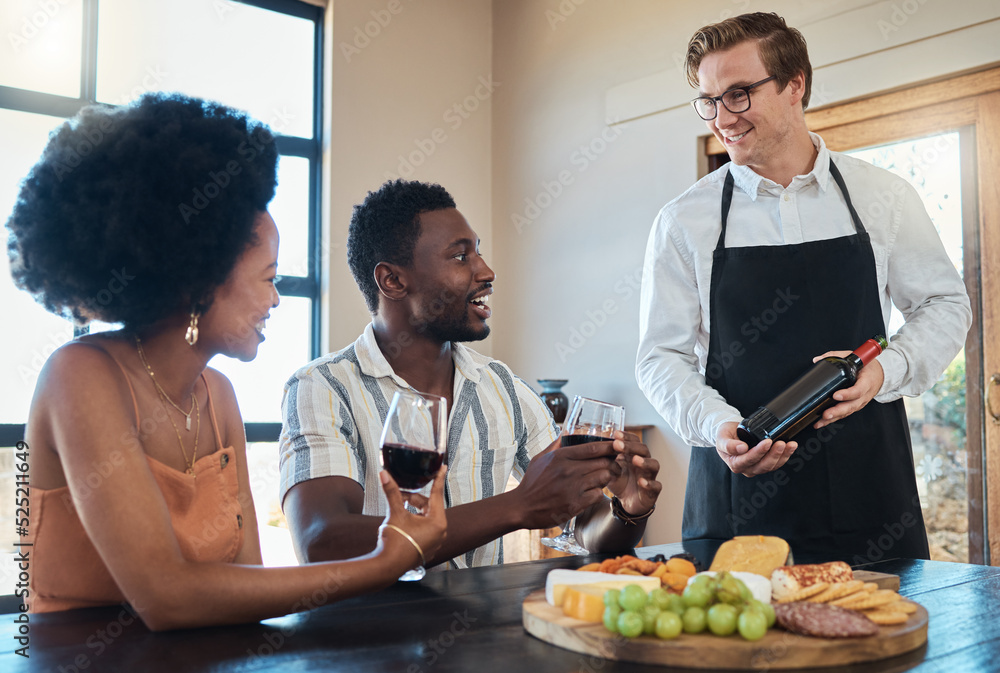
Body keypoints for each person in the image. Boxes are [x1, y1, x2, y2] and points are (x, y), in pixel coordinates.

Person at [8, 93, 447, 630]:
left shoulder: (218, 396)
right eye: (269, 278)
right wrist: (384, 562)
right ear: (202, 277)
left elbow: (245, 586)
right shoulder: (80, 376)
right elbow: (166, 597)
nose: (276, 299)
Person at [635, 13, 971, 564]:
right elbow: (660, 356)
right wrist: (719, 426)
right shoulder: (683, 221)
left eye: (739, 94)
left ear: (796, 85)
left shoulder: (882, 196)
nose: (722, 117)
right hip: (737, 502)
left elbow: (944, 305)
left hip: (870, 497)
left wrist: (885, 369)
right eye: (709, 99)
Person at [279, 179, 661, 568]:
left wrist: (628, 508)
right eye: (461, 257)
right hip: (371, 629)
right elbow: (324, 542)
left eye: (478, 252)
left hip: (481, 627)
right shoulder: (323, 388)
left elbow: (586, 529)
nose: (486, 271)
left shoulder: (504, 388)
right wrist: (517, 506)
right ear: (392, 281)